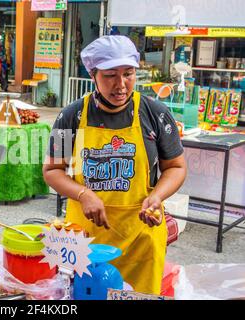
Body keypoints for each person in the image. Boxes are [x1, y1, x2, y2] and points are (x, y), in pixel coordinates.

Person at [43, 36, 187, 295]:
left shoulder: (156, 114)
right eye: (110, 75)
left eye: (128, 74)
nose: (121, 85)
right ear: (93, 75)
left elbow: (176, 167)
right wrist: (83, 194)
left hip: (140, 240)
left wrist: (157, 196)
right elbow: (52, 170)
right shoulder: (71, 116)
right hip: (87, 241)